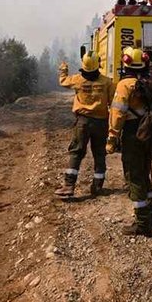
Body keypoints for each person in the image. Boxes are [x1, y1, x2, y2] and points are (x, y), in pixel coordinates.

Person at [106, 46, 152, 236]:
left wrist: (112, 138)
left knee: (134, 176)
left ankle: (143, 224)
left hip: (132, 133)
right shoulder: (149, 82)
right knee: (145, 172)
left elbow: (118, 114)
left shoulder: (124, 85)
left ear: (125, 62)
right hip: (148, 132)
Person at [54, 52, 115, 198]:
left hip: (83, 122)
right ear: (98, 64)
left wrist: (63, 69)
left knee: (76, 152)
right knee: (100, 153)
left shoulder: (77, 80)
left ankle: (69, 186)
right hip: (101, 122)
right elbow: (113, 103)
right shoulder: (107, 82)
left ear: (84, 65)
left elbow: (63, 82)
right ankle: (98, 186)